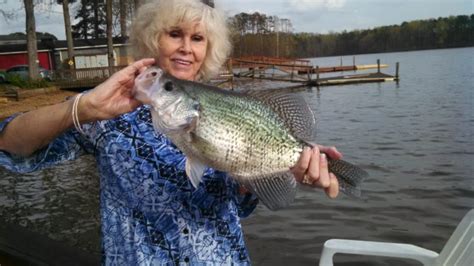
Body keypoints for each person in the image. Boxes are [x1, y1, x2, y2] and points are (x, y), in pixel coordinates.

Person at [0, 0, 342, 264]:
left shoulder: (235, 110)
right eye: (174, 33)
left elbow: (239, 204)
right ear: (153, 38)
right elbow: (10, 143)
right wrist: (82, 108)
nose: (186, 48)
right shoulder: (105, 111)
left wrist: (291, 164)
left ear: (209, 49)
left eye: (197, 38)